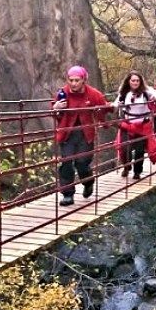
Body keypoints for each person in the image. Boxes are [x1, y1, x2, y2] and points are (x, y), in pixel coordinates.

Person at [51, 65, 109, 205]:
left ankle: (88, 181)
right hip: (67, 134)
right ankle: (67, 194)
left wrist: (108, 111)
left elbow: (104, 106)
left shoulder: (93, 94)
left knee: (82, 163)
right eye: (71, 80)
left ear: (83, 80)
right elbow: (54, 110)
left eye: (77, 80)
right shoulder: (63, 93)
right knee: (66, 162)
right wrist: (56, 108)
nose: (73, 83)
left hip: (85, 134)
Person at [113, 71, 156, 180]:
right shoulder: (124, 93)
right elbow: (115, 104)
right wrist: (113, 106)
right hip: (127, 125)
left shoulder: (146, 91)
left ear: (140, 82)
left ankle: (137, 171)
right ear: (129, 81)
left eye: (137, 80)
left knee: (139, 150)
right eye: (133, 80)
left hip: (142, 125)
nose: (135, 83)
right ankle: (127, 166)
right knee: (124, 148)